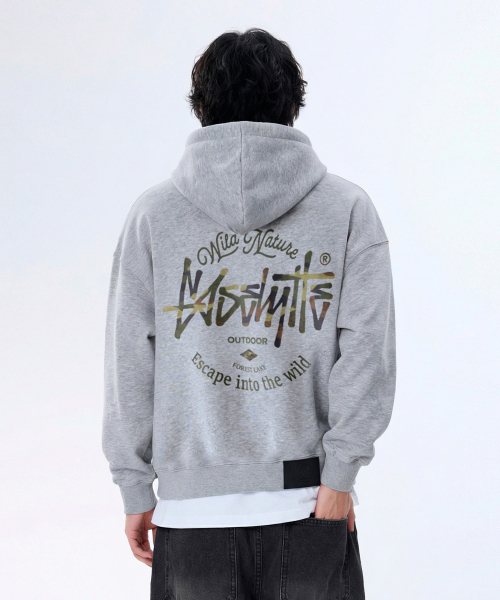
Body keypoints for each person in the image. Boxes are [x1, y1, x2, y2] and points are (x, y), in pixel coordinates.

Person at [102, 27, 396, 600]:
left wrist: (135, 488)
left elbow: (127, 364)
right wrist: (338, 479)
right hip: (309, 505)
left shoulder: (152, 215)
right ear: (292, 104)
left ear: (201, 106)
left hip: (192, 517)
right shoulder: (347, 208)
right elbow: (368, 354)